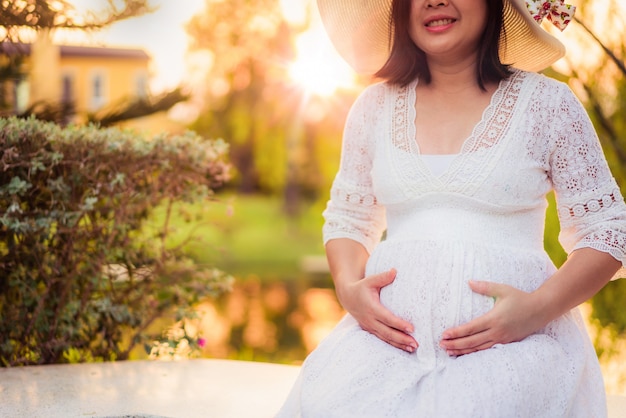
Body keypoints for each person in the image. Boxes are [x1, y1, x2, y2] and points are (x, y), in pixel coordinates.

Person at [276, 0, 626, 416]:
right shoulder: (372, 108)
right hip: (383, 352)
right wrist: (350, 289)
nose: (434, 1)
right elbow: (348, 218)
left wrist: (536, 310)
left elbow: (607, 229)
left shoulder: (548, 104)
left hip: (517, 350)